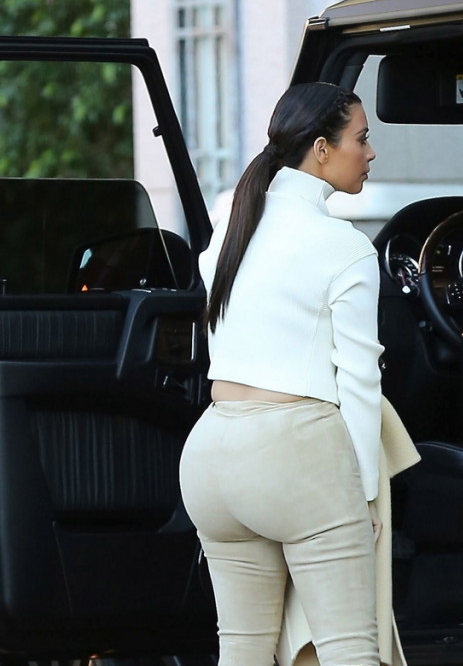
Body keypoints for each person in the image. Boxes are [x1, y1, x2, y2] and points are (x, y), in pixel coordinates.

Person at [179, 81, 383, 666]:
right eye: (361, 138)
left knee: (242, 649)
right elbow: (360, 381)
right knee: (348, 649)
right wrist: (366, 493)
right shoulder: (344, 247)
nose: (370, 153)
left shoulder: (233, 228)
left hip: (211, 455)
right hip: (295, 457)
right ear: (322, 148)